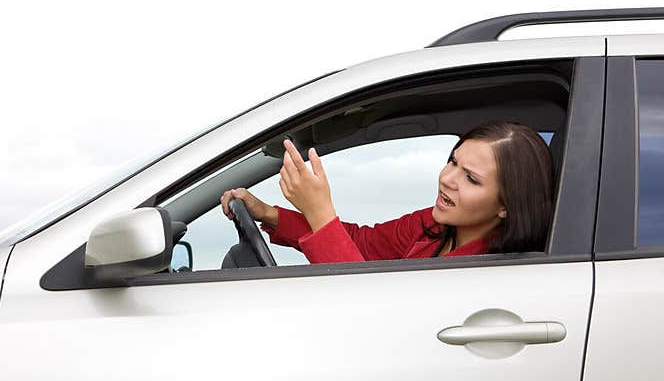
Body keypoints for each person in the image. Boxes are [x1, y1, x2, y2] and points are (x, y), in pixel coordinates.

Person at [219, 121, 555, 264]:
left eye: (471, 179)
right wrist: (268, 213)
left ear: (506, 206)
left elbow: (367, 305)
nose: (448, 179)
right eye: (452, 163)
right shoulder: (434, 224)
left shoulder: (492, 271)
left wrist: (320, 208)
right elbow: (363, 245)